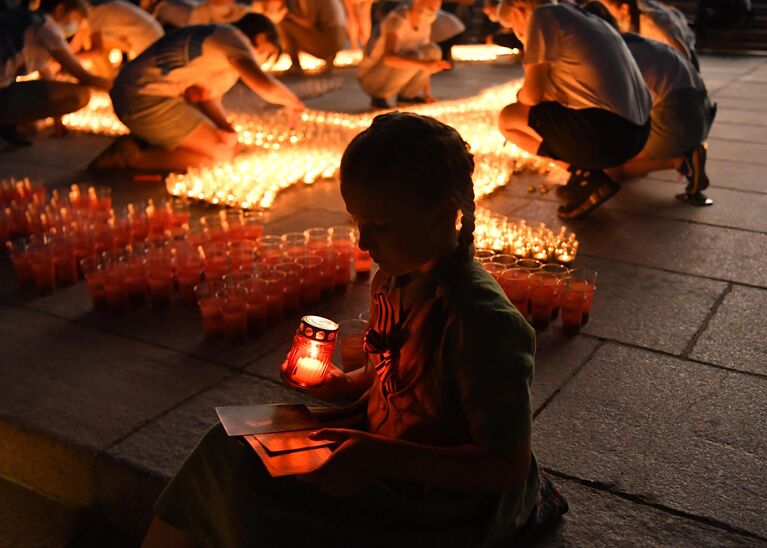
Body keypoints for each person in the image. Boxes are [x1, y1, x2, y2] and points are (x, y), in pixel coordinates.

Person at [139, 112, 568, 548]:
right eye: (356, 222)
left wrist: (380, 456)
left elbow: (504, 467)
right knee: (225, 446)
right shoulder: (392, 281)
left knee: (259, 503)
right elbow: (388, 384)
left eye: (380, 226)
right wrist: (336, 385)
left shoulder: (482, 322)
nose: (363, 243)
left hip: (440, 500)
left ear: (442, 218)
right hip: (375, 445)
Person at [496, 0, 651, 219]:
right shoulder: (585, 18)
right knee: (536, 112)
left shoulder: (542, 16)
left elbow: (531, 96)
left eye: (512, 25)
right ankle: (586, 176)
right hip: (640, 131)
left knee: (508, 118)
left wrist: (520, 95)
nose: (515, 32)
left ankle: (585, 174)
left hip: (608, 136)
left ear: (519, 11)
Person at [90, 14, 304, 172]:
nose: (263, 57)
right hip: (145, 100)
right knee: (218, 157)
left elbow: (204, 97)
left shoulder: (216, 36)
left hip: (137, 95)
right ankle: (131, 157)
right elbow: (264, 85)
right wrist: (294, 103)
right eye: (267, 50)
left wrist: (226, 129)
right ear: (261, 36)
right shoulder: (233, 39)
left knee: (226, 144)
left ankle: (143, 141)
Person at [585, 2, 715, 206]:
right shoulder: (639, 41)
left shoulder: (613, 54)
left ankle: (683, 161)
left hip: (677, 121)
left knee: (612, 166)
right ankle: (681, 152)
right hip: (703, 114)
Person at [0, 0, 111, 146]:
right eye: (75, 19)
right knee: (80, 95)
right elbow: (83, 76)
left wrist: (57, 120)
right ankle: (6, 121)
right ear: (60, 9)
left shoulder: (24, 18)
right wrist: (120, 86)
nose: (75, 27)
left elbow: (47, 75)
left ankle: (9, 124)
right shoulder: (46, 27)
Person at [358, 0, 451, 110]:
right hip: (373, 77)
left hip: (398, 70)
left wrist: (427, 94)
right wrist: (425, 65)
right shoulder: (397, 20)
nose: (435, 7)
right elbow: (388, 59)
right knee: (416, 57)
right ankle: (379, 98)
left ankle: (407, 97)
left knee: (433, 51)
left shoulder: (424, 22)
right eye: (430, 4)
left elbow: (428, 58)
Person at [69, 0, 164, 78]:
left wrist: (69, 59)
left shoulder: (94, 13)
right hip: (154, 37)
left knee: (90, 43)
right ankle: (107, 77)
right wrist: (60, 59)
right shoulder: (94, 8)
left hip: (149, 44)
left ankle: (108, 83)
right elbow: (76, 42)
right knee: (88, 38)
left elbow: (96, 51)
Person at [599, 0, 698, 69]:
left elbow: (684, 55)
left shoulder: (653, 24)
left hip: (683, 67)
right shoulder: (630, 14)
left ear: (624, 8)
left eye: (608, 9)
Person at [279, 0, 347, 74]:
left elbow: (309, 22)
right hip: (337, 40)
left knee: (285, 24)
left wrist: (288, 15)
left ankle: (295, 66)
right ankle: (329, 57)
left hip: (330, 41)